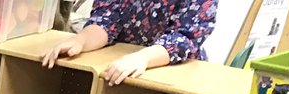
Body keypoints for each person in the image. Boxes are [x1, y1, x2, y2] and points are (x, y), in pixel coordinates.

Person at [40, 0, 217, 85]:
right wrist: (80, 40)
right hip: (119, 69)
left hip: (176, 75)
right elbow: (107, 19)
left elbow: (186, 37)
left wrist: (142, 58)